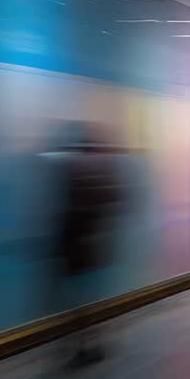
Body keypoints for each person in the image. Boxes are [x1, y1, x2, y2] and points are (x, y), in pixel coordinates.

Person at [49, 122, 125, 365]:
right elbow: (112, 201)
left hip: (76, 243)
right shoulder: (99, 173)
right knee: (86, 297)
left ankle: (81, 346)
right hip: (90, 243)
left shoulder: (73, 169)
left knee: (77, 299)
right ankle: (89, 344)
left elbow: (67, 209)